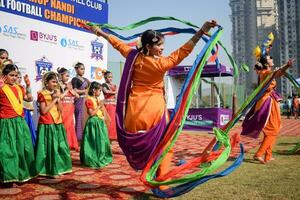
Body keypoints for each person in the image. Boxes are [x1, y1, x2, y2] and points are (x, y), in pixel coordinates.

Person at [90, 20, 217, 186]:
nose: (163, 48)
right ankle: (162, 182)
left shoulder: (132, 56)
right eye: (159, 45)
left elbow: (117, 43)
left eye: (163, 44)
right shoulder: (162, 64)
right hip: (154, 109)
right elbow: (184, 50)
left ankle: (149, 175)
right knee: (166, 145)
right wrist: (201, 31)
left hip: (134, 111)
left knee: (146, 147)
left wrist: (100, 32)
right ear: (149, 47)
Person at [242, 56, 293, 164]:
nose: (273, 60)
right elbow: (278, 73)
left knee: (274, 129)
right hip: (266, 103)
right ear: (266, 63)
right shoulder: (265, 73)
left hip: (270, 102)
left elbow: (279, 73)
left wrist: (286, 66)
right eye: (271, 59)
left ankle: (268, 155)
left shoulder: (267, 72)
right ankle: (259, 154)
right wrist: (287, 65)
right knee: (272, 130)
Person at [0, 64, 36, 183]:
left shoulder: (20, 88)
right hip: (7, 123)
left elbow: (29, 99)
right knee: (7, 150)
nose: (14, 78)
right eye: (11, 75)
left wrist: (29, 85)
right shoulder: (2, 88)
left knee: (22, 149)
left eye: (16, 75)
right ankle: (8, 175)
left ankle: (21, 174)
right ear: (4, 76)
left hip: (20, 123)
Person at [35, 72, 72, 177]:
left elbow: (60, 109)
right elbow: (44, 111)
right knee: (48, 148)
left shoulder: (57, 92)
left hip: (57, 122)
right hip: (47, 123)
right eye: (53, 82)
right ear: (46, 82)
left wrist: (58, 99)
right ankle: (47, 169)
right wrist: (54, 99)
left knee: (60, 147)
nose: (55, 84)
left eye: (56, 82)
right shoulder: (42, 93)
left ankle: (60, 167)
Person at [80, 81, 112, 168]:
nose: (100, 92)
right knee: (93, 142)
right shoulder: (89, 100)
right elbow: (91, 114)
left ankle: (101, 156)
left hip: (99, 122)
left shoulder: (97, 99)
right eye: (99, 90)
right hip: (93, 123)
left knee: (102, 141)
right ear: (94, 90)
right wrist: (99, 106)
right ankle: (92, 158)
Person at [58, 67, 79, 151]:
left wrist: (70, 89)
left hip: (70, 108)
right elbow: (60, 97)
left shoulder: (69, 85)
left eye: (68, 76)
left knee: (70, 126)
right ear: (61, 76)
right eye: (66, 76)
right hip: (63, 108)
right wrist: (67, 90)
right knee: (64, 125)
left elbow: (77, 96)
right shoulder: (58, 85)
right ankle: (63, 144)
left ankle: (71, 143)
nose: (67, 78)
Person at [16, 71, 37, 146]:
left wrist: (28, 85)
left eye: (20, 77)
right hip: (16, 113)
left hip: (25, 112)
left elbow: (29, 99)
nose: (18, 79)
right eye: (16, 77)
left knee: (27, 132)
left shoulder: (22, 87)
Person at [71, 62, 90, 141]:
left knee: (87, 118)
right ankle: (79, 138)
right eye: (81, 69)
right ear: (76, 69)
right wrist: (85, 90)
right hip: (79, 101)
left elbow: (90, 88)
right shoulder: (74, 79)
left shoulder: (86, 79)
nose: (83, 71)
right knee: (79, 118)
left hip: (86, 100)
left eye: (84, 69)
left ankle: (87, 137)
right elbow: (74, 90)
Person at [102, 71, 117, 141]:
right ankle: (107, 136)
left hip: (113, 105)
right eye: (109, 77)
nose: (110, 79)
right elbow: (106, 92)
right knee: (108, 121)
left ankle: (112, 137)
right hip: (108, 105)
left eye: (111, 77)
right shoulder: (104, 85)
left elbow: (116, 94)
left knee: (113, 121)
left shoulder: (114, 85)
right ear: (105, 78)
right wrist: (114, 92)